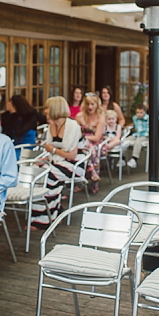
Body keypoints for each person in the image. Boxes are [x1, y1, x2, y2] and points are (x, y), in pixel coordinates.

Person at [33, 96, 82, 228]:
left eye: (47, 108)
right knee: (37, 173)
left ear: (55, 109)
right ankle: (52, 212)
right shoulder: (51, 126)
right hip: (57, 161)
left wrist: (53, 150)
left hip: (75, 164)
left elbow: (72, 154)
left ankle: (44, 219)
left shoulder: (73, 126)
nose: (45, 111)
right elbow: (50, 151)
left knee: (48, 177)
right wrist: (44, 158)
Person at [75, 93, 106, 193]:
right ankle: (92, 173)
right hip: (80, 143)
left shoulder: (100, 117)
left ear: (97, 105)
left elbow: (97, 137)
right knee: (84, 148)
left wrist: (84, 138)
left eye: (92, 104)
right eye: (88, 104)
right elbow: (75, 132)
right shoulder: (79, 116)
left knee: (89, 149)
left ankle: (88, 178)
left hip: (96, 143)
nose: (90, 107)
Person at [126, 104, 149, 169]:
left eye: (141, 112)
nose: (139, 114)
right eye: (137, 112)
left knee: (138, 142)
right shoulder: (135, 118)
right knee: (126, 140)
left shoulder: (148, 118)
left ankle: (134, 159)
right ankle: (122, 158)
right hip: (136, 134)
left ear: (144, 112)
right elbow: (135, 125)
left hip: (145, 135)